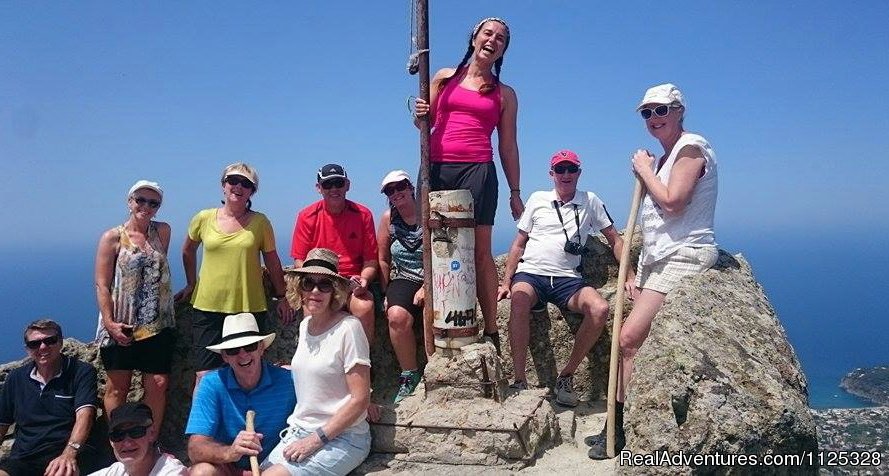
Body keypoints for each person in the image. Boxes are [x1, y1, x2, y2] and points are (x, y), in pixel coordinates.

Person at [587, 84, 718, 459]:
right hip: (658, 258)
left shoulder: (692, 148)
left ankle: (621, 426)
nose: (653, 118)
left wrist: (644, 169)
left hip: (683, 255)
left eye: (661, 110)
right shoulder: (665, 158)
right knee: (629, 340)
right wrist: (635, 272)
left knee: (628, 339)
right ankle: (620, 417)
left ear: (679, 111)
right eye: (647, 113)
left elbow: (674, 203)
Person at [413, 17, 522, 348]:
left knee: (480, 252)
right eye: (488, 33)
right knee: (435, 247)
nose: (493, 40)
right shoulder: (444, 77)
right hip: (437, 166)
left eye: (501, 38)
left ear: (503, 49)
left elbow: (508, 145)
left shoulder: (505, 94)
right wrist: (418, 114)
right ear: (474, 37)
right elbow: (423, 122)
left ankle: (490, 331)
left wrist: (515, 192)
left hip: (478, 170)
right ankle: (438, 333)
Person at [497, 150, 633, 407]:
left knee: (600, 308)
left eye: (571, 169)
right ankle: (519, 379)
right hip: (533, 273)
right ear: (552, 174)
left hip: (568, 279)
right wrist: (506, 282)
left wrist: (629, 274)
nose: (566, 174)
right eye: (560, 169)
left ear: (579, 173)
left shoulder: (590, 201)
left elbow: (614, 238)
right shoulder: (538, 199)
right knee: (519, 298)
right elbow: (518, 244)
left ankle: (566, 375)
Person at [175, 163, 294, 383]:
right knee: (205, 376)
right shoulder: (203, 218)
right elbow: (187, 250)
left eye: (246, 183)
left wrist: (281, 295)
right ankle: (204, 418)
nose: (238, 186)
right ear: (223, 185)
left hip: (248, 307)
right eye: (233, 181)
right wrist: (191, 284)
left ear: (252, 191)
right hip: (207, 306)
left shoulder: (260, 222)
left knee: (247, 373)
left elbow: (272, 260)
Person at [265, 248, 371, 475]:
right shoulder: (306, 326)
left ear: (335, 292)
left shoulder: (349, 329)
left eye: (324, 285)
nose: (315, 291)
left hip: (342, 438)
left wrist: (316, 440)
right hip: (299, 431)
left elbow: (360, 399)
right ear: (299, 288)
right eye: (308, 283)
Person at [94, 180, 175, 436]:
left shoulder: (162, 231)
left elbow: (155, 273)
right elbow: (102, 284)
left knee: (159, 384)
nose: (146, 206)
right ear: (130, 202)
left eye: (153, 203)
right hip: (123, 323)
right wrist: (109, 322)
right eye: (140, 200)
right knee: (118, 387)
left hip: (157, 323)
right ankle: (119, 440)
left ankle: (149, 441)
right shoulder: (113, 237)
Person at [185, 312, 296, 475]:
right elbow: (195, 448)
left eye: (249, 347)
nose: (243, 354)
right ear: (224, 356)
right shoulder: (211, 384)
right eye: (233, 350)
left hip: (274, 466)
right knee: (201, 472)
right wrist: (231, 452)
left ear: (261, 348)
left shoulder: (289, 381)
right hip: (228, 467)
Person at [0, 319, 112, 476]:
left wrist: (69, 454)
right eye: (35, 344)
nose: (43, 347)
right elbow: (2, 423)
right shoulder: (15, 378)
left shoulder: (80, 371)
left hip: (66, 453)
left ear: (60, 343)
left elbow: (85, 416)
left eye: (50, 341)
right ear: (27, 349)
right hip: (23, 459)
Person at [289, 163, 379, 344]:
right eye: (327, 185)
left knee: (364, 307)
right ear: (319, 188)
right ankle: (315, 361)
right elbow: (299, 260)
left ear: (347, 185)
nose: (334, 189)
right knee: (312, 308)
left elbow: (370, 260)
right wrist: (317, 280)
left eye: (338, 183)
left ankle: (360, 363)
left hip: (351, 282)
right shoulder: (307, 216)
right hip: (321, 279)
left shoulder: (362, 214)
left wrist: (364, 280)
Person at [375, 170, 424, 402]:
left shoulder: (428, 211)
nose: (396, 193)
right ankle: (409, 375)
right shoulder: (388, 219)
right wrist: (386, 292)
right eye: (390, 190)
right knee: (395, 316)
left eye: (400, 187)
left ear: (411, 187)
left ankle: (436, 374)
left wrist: (429, 287)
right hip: (405, 277)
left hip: (435, 275)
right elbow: (383, 258)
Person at [87, 402, 187, 476]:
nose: (127, 443)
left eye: (136, 432)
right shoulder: (115, 471)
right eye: (118, 435)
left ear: (152, 433)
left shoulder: (172, 472)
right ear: (111, 441)